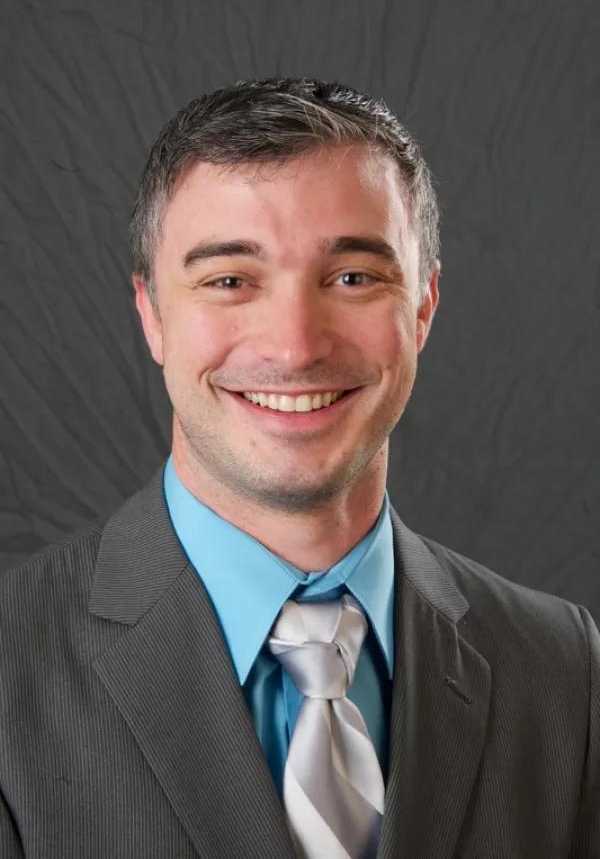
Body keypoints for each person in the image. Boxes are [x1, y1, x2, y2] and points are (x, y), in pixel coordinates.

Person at [0, 77, 598, 859]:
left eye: (353, 278)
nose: (294, 346)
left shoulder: (566, 673)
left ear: (422, 307)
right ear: (151, 314)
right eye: (229, 281)